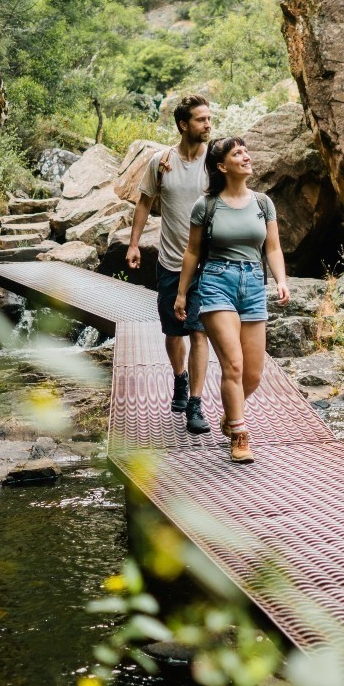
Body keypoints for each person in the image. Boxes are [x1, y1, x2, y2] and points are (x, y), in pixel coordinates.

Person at [173, 135, 289, 464]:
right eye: (237, 153)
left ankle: (230, 414)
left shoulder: (263, 203)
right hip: (215, 283)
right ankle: (239, 435)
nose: (246, 156)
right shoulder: (206, 206)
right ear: (222, 166)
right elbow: (192, 251)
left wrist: (280, 280)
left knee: (252, 374)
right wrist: (182, 293)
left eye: (246, 151)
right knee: (233, 365)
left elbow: (273, 248)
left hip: (253, 283)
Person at [127, 94, 214, 433]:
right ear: (183, 125)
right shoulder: (161, 162)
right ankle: (179, 378)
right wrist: (134, 244)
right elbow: (144, 202)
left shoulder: (214, 161)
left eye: (209, 119)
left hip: (208, 266)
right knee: (173, 331)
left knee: (198, 330)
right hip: (171, 262)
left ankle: (195, 403)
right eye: (201, 120)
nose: (208, 125)